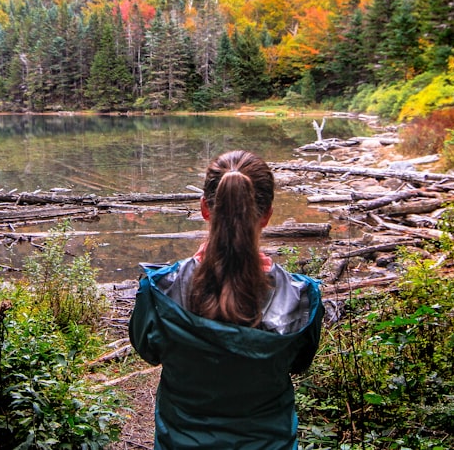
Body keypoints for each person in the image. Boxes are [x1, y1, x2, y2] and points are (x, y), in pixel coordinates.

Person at [129, 150, 323, 450]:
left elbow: (149, 352)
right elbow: (298, 363)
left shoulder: (160, 291)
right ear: (268, 214)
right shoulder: (301, 298)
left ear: (205, 208)